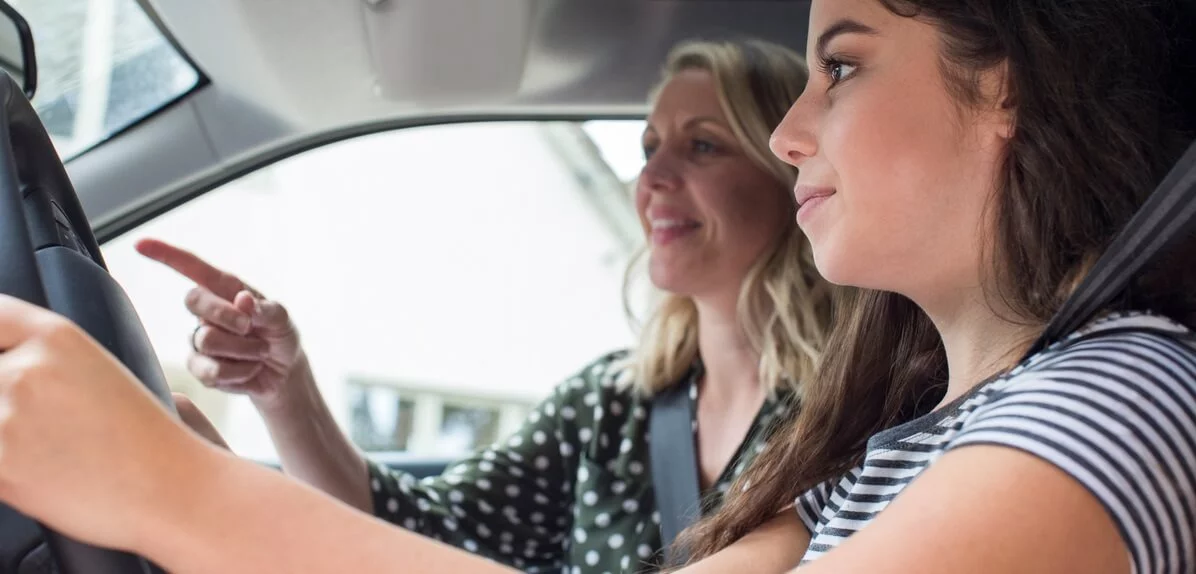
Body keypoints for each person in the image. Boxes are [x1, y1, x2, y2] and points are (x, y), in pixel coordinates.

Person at [0, 0, 1193, 573]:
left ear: (1006, 93)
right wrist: (178, 468)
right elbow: (417, 531)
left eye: (839, 67)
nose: (790, 134)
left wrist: (177, 494)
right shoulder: (888, 444)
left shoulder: (1117, 406)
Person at [130, 37, 835, 573]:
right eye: (648, 147)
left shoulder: (856, 412)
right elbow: (421, 528)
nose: (650, 176)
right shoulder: (612, 403)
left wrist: (212, 497)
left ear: (792, 174)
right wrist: (285, 390)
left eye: (702, 145)